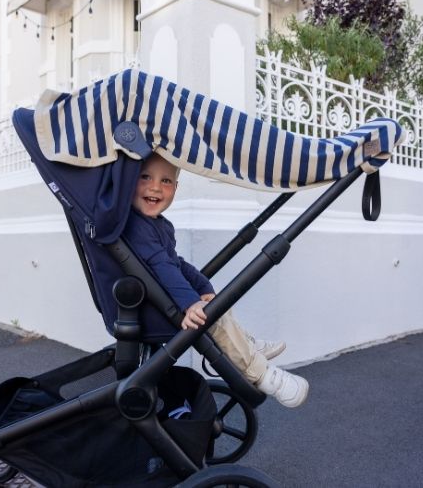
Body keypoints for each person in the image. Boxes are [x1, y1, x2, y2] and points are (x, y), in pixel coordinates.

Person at [122, 153, 309, 408]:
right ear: (129, 180)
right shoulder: (135, 226)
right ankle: (262, 374)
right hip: (151, 308)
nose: (155, 187)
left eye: (166, 181)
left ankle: (246, 345)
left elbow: (176, 264)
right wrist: (190, 303)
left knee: (215, 302)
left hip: (160, 300)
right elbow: (162, 267)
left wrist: (203, 288)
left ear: (176, 187)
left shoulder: (159, 225)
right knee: (210, 316)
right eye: (145, 177)